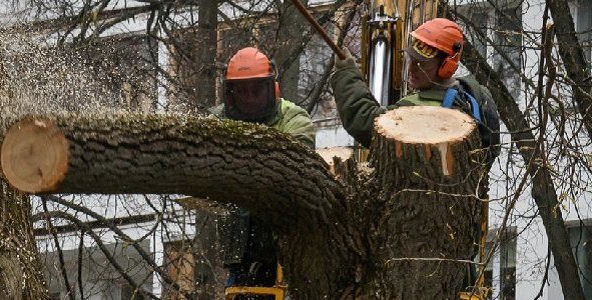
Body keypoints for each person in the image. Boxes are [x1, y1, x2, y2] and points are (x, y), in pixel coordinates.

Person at [329, 17, 501, 287]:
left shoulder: (418, 111)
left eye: (422, 63)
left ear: (446, 65)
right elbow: (492, 148)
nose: (412, 68)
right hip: (460, 237)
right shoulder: (477, 97)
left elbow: (365, 121)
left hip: (413, 241)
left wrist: (346, 74)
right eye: (411, 58)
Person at [211, 47, 316, 296]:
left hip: (284, 247)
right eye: (241, 91)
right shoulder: (216, 122)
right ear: (230, 93)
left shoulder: (293, 119)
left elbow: (295, 159)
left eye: (255, 90)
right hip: (240, 249)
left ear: (272, 88)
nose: (248, 97)